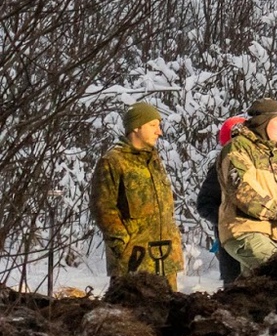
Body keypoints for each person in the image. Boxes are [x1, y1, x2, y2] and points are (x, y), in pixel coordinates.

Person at [89, 101, 185, 289]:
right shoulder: (113, 161)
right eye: (153, 126)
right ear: (136, 127)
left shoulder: (154, 160)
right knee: (130, 316)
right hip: (135, 262)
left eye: (159, 126)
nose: (160, 132)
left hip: (165, 259)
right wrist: (124, 247)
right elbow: (103, 208)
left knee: (170, 314)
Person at [217, 98, 277, 273]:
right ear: (263, 122)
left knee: (257, 291)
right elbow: (243, 192)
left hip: (273, 235)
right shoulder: (237, 149)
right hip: (245, 231)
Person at [195, 115, 246, 285]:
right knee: (234, 293)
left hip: (253, 242)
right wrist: (226, 220)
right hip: (230, 243)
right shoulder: (220, 167)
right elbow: (204, 204)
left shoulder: (255, 165)